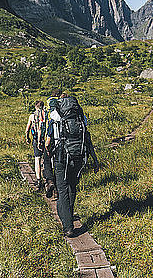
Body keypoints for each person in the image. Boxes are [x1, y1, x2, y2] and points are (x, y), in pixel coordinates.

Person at [45, 93, 99, 237]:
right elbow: (87, 136)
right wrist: (94, 159)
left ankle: (68, 226)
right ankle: (67, 215)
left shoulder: (55, 116)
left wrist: (48, 152)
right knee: (72, 187)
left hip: (61, 157)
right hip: (78, 155)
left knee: (62, 189)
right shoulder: (80, 117)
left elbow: (48, 142)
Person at [25, 100, 46, 190]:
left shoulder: (32, 116)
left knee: (37, 159)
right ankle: (48, 179)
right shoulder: (46, 115)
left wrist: (27, 138)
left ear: (35, 106)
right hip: (45, 139)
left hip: (36, 139)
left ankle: (38, 180)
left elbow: (27, 130)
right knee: (46, 159)